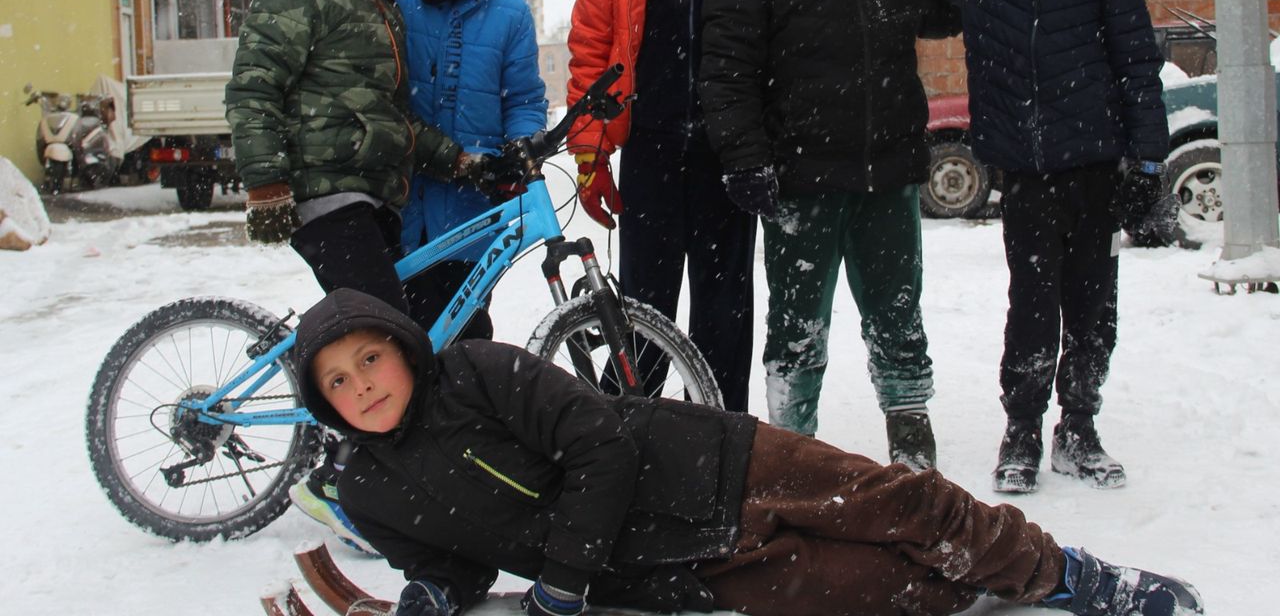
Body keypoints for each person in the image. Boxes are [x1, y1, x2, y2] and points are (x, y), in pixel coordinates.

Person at [291, 287, 1204, 616]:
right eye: (338, 382)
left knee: (903, 505)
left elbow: (601, 444)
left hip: (712, 464)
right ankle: (976, 585)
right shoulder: (368, 489)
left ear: (401, 348)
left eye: (370, 359)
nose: (363, 386)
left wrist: (562, 578)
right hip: (667, 562)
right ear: (322, 403)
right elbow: (446, 566)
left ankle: (1069, 576)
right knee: (890, 594)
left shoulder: (478, 372)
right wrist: (427, 593)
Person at [224, 0, 486, 552]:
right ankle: (338, 481)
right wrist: (266, 186)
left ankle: (389, 463)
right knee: (380, 339)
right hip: (322, 194)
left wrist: (459, 160)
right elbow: (254, 87)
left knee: (406, 323)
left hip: (369, 197)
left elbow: (390, 121)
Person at [893, 0, 1170, 493]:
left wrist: (1148, 165)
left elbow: (1139, 73)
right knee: (1032, 309)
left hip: (1097, 178)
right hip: (1025, 182)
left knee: (1094, 311)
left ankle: (1078, 427)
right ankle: (1021, 428)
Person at [697, 0, 959, 469]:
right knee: (797, 324)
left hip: (888, 168)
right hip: (802, 178)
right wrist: (744, 156)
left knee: (898, 312)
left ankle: (911, 436)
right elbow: (725, 67)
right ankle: (792, 455)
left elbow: (946, 11)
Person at [565, 0, 770, 412]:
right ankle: (630, 428)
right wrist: (591, 150)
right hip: (649, 145)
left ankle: (721, 431)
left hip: (727, 145)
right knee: (641, 305)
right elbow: (592, 44)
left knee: (724, 305)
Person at [397, 0, 548, 343]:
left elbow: (522, 97)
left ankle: (465, 413)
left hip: (472, 203)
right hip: (400, 198)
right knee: (396, 337)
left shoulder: (511, 14)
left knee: (465, 334)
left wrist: (524, 143)